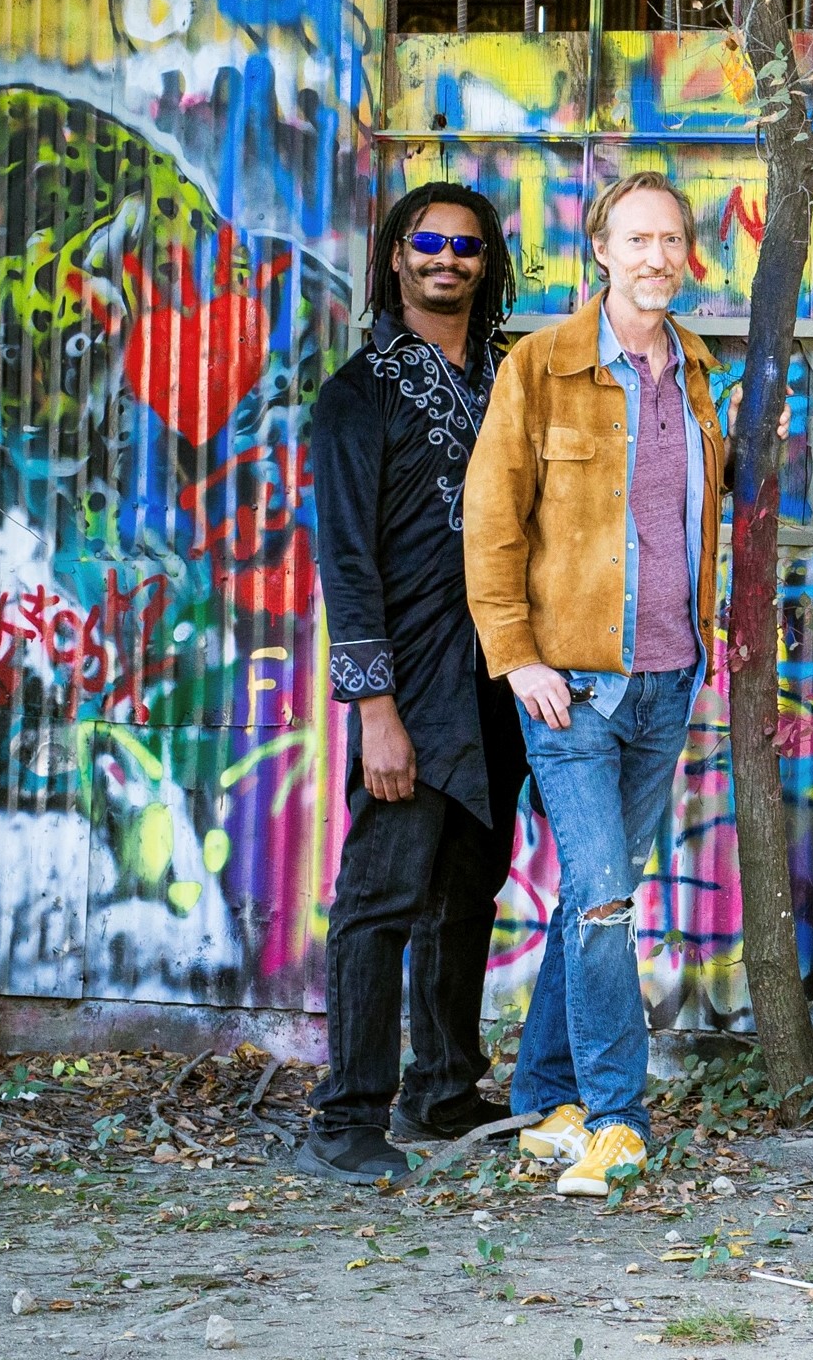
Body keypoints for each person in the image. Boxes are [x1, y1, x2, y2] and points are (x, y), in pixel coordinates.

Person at [463, 172, 728, 1200]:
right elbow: (491, 522)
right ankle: (619, 1116)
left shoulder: (698, 371)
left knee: (589, 894)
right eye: (638, 238)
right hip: (570, 689)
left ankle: (545, 1099)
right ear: (601, 252)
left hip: (668, 679)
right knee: (609, 900)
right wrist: (517, 653)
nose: (656, 256)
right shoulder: (542, 367)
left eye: (672, 239)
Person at [299, 184, 527, 1184]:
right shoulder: (359, 392)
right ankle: (344, 1116)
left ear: (488, 261)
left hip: (505, 676)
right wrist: (374, 709)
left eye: (465, 244)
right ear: (394, 255)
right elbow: (345, 560)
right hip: (413, 682)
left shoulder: (518, 379)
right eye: (426, 241)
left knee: (467, 891)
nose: (446, 258)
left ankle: (441, 1090)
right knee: (382, 892)